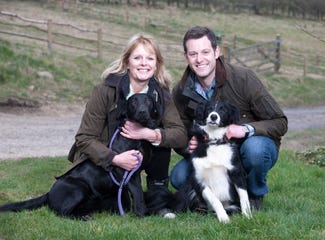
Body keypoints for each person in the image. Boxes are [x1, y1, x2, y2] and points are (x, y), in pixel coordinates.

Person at [68, 33, 187, 216]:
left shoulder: (162, 95)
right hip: (104, 161)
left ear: (157, 64)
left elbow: (179, 134)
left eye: (149, 58)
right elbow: (84, 138)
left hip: (141, 152)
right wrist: (114, 158)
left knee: (162, 140)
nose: (143, 63)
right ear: (127, 62)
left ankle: (157, 198)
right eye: (137, 57)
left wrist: (150, 134)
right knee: (113, 205)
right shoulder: (105, 91)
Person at [170, 26, 288, 211]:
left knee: (255, 151)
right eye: (193, 54)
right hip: (211, 153)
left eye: (205, 52)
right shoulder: (181, 91)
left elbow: (280, 121)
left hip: (247, 147)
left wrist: (246, 129)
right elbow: (178, 130)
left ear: (217, 52)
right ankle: (213, 199)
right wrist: (188, 144)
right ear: (186, 57)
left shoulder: (243, 78)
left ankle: (254, 195)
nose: (199, 59)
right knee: (178, 176)